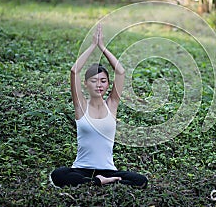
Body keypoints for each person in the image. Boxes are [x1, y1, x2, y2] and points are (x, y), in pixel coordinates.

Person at [50, 24, 148, 188]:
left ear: (108, 84)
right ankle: (100, 182)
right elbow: (74, 71)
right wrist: (92, 46)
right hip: (81, 169)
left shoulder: (112, 105)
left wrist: (102, 47)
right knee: (58, 175)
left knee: (141, 180)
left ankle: (102, 181)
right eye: (94, 81)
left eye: (103, 81)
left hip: (108, 169)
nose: (99, 85)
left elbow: (121, 72)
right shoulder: (81, 106)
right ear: (86, 84)